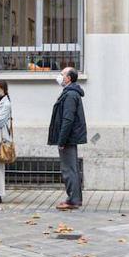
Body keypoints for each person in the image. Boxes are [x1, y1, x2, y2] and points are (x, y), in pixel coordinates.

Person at [47, 66, 87, 210]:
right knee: (72, 168)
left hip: (68, 138)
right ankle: (75, 198)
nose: (60, 76)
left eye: (62, 74)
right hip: (70, 137)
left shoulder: (70, 95)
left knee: (69, 169)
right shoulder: (70, 93)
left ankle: (73, 200)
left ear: (69, 78)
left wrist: (61, 140)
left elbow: (68, 119)